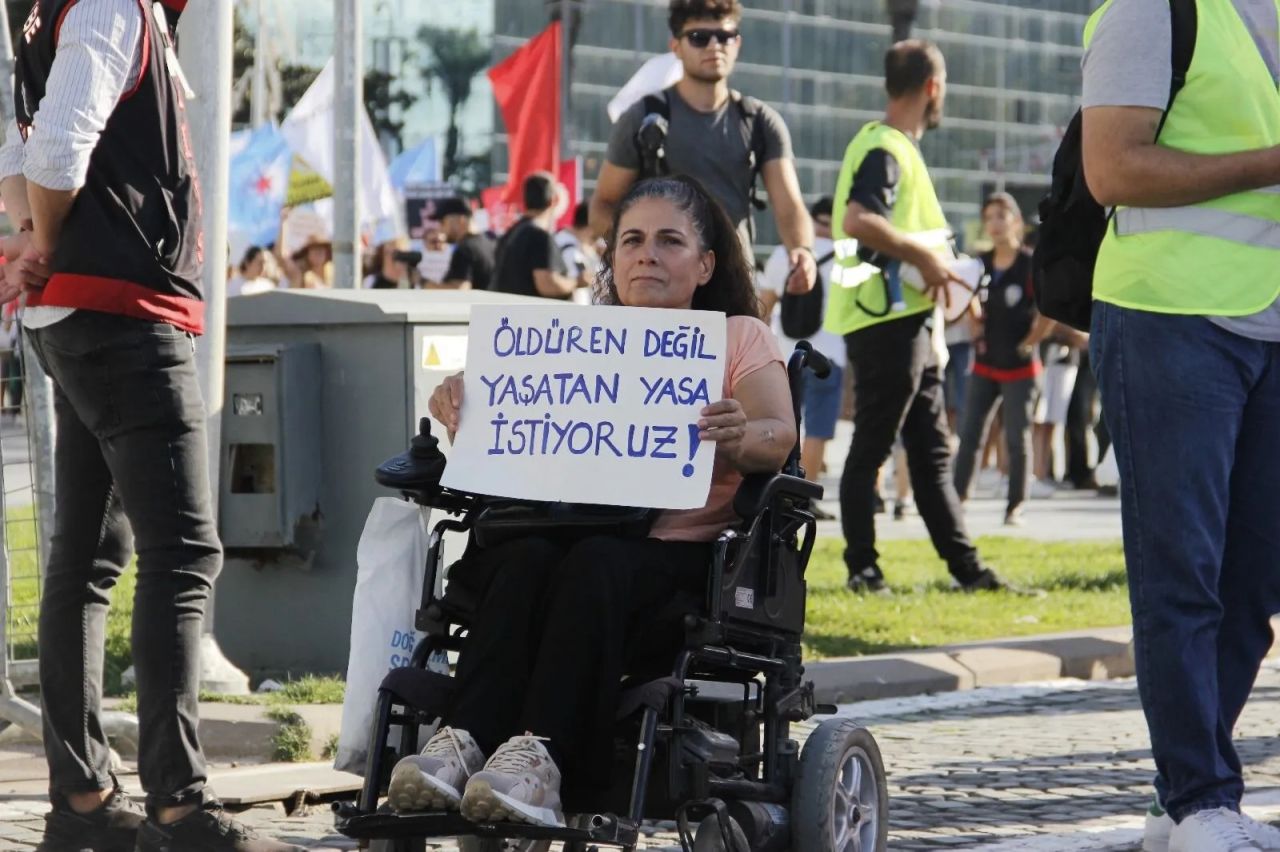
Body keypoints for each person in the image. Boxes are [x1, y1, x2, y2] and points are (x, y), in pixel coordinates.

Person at [391, 175, 794, 828]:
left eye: (670, 241)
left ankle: (541, 759)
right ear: (611, 258)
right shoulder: (574, 340)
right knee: (520, 562)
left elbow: (779, 436)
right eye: (632, 240)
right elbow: (508, 410)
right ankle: (463, 743)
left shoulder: (737, 336)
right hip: (561, 534)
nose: (647, 255)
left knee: (595, 564)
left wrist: (741, 435)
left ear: (705, 264)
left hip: (676, 555)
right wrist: (465, 397)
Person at [0, 0, 301, 849]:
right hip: (123, 309)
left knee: (88, 559)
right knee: (181, 554)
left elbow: (20, 146)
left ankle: (84, 803)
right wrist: (50, 242)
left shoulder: (42, 11)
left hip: (82, 314)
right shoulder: (108, 4)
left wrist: (33, 234)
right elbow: (53, 146)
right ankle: (179, 807)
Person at [1082, 2, 1280, 850]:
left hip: (1269, 327)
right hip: (1169, 315)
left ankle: (1186, 802)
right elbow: (1112, 169)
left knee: (1253, 588)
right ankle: (1202, 797)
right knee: (1182, 578)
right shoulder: (1152, 8)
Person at [826, 40, 1007, 593]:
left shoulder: (895, 148)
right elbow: (859, 219)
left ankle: (968, 570)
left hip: (910, 323)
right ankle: (863, 568)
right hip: (885, 321)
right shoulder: (885, 148)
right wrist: (927, 257)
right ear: (932, 87)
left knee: (930, 453)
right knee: (875, 446)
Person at [590, 0, 817, 299]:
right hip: (658, 288)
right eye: (699, 37)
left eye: (725, 36)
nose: (714, 46)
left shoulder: (760, 121)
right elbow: (603, 205)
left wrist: (802, 250)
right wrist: (638, 249)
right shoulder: (642, 117)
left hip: (733, 284)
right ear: (676, 46)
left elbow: (789, 206)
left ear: (738, 43)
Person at [952, 193, 1052, 527]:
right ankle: (959, 498)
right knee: (970, 435)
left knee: (1016, 438)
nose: (994, 223)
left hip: (1021, 368)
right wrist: (973, 318)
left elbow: (1048, 310)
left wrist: (1032, 340)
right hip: (985, 363)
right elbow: (964, 300)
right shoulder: (980, 263)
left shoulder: (1030, 263)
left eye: (1000, 216)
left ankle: (1014, 506)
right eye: (989, 217)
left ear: (1015, 221)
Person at [758, 195, 841, 516]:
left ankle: (777, 488)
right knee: (819, 427)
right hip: (830, 355)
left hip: (785, 351)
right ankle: (803, 496)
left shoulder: (784, 254)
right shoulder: (846, 257)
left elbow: (765, 305)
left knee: (783, 421)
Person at [491, 172, 588, 300]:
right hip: (528, 317)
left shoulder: (509, 233)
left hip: (508, 313)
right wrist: (577, 282)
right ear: (554, 201)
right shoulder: (539, 236)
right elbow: (547, 284)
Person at [437, 196, 496, 290]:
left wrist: (424, 282)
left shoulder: (465, 249)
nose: (440, 229)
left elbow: (460, 291)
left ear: (461, 220)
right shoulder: (491, 242)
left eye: (443, 222)